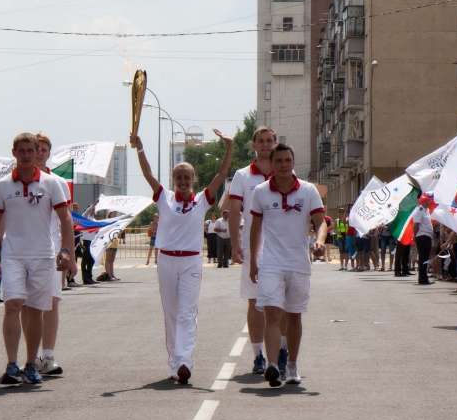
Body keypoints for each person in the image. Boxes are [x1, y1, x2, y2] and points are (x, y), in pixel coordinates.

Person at [132, 128, 233, 384]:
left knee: (187, 313)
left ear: (194, 179)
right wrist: (140, 147)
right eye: (179, 177)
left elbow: (222, 175)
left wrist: (229, 147)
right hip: (166, 261)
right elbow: (147, 173)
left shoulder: (202, 200)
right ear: (173, 179)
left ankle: (185, 362)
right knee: (171, 313)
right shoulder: (164, 198)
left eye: (187, 177)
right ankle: (174, 363)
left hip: (190, 261)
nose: (183, 181)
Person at [0, 132, 76, 385]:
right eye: (21, 151)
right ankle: (12, 364)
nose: (26, 155)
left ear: (36, 152)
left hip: (43, 256)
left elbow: (66, 219)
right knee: (13, 304)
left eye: (30, 151)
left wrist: (67, 252)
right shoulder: (4, 185)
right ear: (14, 153)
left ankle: (31, 363)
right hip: (14, 254)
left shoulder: (51, 183)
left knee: (36, 310)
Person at [248, 144, 327, 387]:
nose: (283, 165)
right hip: (271, 262)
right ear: (272, 164)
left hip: (298, 262)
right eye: (279, 161)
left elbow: (320, 221)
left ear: (293, 162)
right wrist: (253, 261)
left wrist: (320, 241)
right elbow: (255, 228)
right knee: (272, 313)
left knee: (293, 316)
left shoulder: (308, 190)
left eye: (287, 160)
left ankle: (291, 364)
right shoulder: (261, 192)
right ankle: (272, 366)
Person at [228, 126, 279, 374]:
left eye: (270, 140)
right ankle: (258, 355)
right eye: (261, 141)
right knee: (255, 302)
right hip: (253, 246)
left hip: (282, 247)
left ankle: (280, 351)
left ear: (276, 142)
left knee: (281, 302)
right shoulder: (242, 175)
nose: (266, 145)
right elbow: (235, 211)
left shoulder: (284, 172)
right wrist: (235, 244)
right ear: (254, 145)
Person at [35, 132, 72, 375]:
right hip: (24, 251)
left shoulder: (57, 182)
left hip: (52, 249)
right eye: (34, 148)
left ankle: (47, 355)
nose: (38, 153)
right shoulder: (14, 182)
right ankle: (30, 356)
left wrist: (68, 254)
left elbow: (66, 221)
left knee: (52, 303)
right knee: (26, 306)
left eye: (43, 149)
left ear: (49, 153)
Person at [411, 197, 434, 285]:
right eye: (428, 201)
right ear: (424, 202)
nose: (430, 202)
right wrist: (415, 236)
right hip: (422, 236)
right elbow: (416, 225)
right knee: (423, 258)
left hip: (427, 236)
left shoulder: (426, 210)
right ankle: (423, 279)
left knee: (425, 258)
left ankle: (424, 277)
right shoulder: (419, 210)